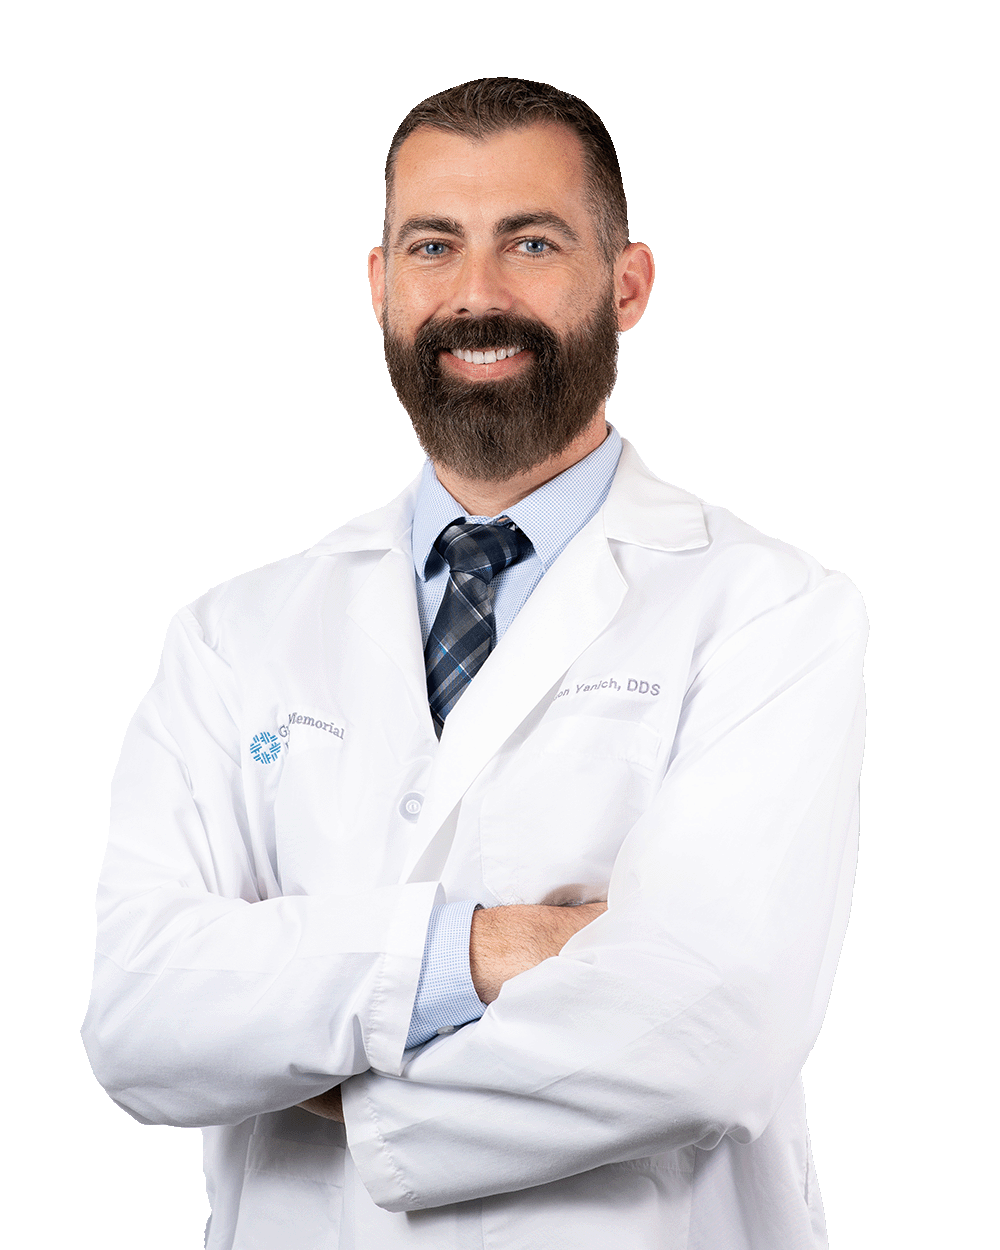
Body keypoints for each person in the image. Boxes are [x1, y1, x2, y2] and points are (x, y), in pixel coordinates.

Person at [83, 77, 867, 1249]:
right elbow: (140, 1017)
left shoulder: (769, 611)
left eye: (532, 242)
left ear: (628, 282)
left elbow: (710, 1033)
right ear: (380, 284)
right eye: (434, 245)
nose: (478, 294)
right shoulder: (234, 635)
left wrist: (318, 1064)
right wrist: (490, 945)